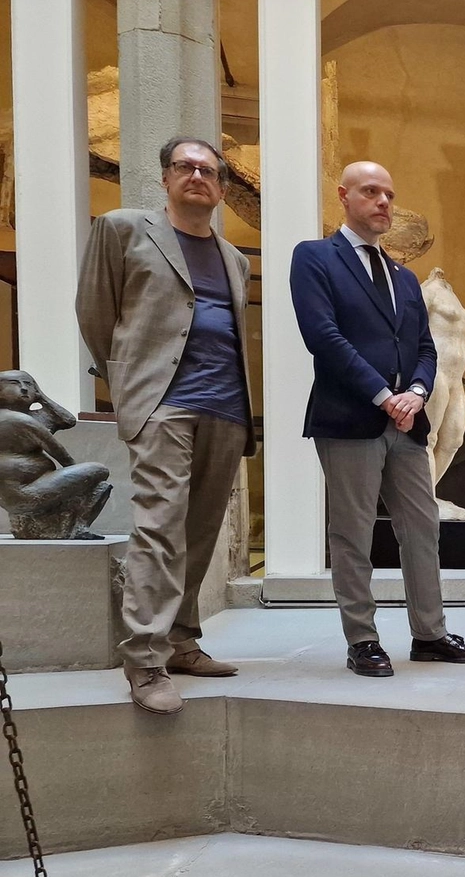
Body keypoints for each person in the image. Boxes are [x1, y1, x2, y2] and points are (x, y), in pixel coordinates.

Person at [76, 137, 255, 715]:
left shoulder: (235, 258)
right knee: (158, 526)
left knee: (201, 528)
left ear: (222, 188)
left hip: (226, 407)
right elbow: (95, 311)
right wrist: (130, 385)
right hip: (163, 405)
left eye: (208, 170)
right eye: (186, 166)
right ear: (166, 177)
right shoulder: (125, 229)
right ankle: (145, 658)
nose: (197, 176)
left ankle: (180, 639)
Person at [291, 160, 465, 678]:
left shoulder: (404, 277)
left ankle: (430, 633)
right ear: (344, 196)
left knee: (422, 528)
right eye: (371, 192)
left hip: (407, 424)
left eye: (389, 194)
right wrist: (384, 395)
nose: (384, 202)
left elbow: (424, 346)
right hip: (350, 418)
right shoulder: (315, 258)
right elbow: (324, 337)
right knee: (353, 535)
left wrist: (418, 392)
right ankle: (363, 640)